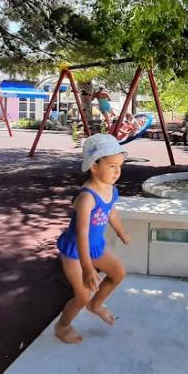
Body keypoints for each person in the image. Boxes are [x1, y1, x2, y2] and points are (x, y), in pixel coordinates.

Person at [55, 133, 130, 344]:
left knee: (118, 273)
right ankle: (62, 326)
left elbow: (111, 212)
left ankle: (96, 305)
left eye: (120, 166)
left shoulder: (111, 189)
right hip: (75, 251)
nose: (117, 171)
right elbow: (82, 234)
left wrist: (120, 231)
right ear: (94, 166)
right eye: (112, 166)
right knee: (82, 296)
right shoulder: (86, 197)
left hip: (95, 246)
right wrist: (88, 269)